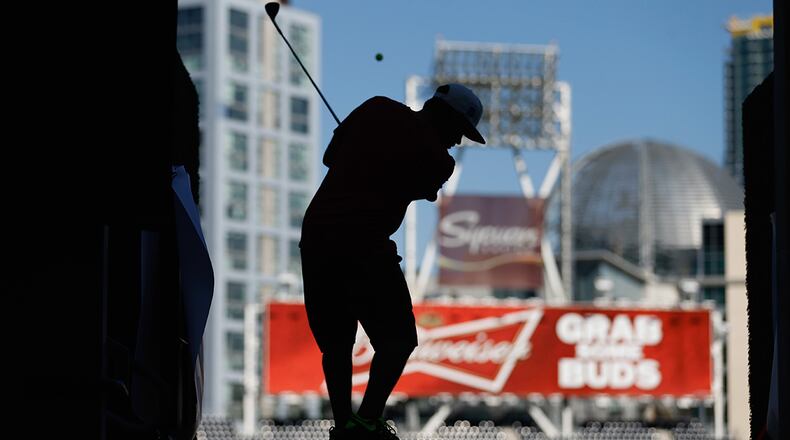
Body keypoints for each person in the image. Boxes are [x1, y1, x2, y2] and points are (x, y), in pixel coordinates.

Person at [299, 84, 485, 439]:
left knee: (337, 343)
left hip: (318, 237)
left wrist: (365, 148)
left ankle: (344, 425)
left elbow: (330, 157)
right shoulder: (440, 161)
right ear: (446, 117)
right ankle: (367, 422)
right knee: (398, 340)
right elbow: (427, 191)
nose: (457, 142)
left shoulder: (376, 107)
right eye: (459, 131)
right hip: (364, 244)